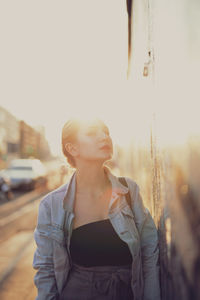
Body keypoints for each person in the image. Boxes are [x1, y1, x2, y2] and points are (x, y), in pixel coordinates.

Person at [32, 117, 161, 300]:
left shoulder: (128, 191)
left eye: (106, 132)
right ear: (72, 148)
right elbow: (46, 270)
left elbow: (149, 252)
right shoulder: (51, 205)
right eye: (92, 133)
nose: (105, 137)